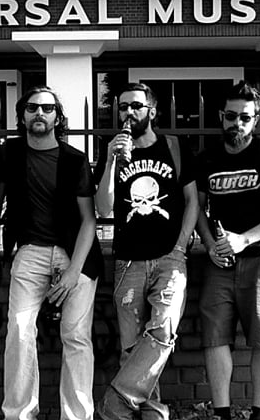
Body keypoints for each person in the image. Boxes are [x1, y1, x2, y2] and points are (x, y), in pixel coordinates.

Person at [0, 86, 103, 420]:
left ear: (57, 118)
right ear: (22, 115)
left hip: (75, 254)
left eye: (48, 109)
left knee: (76, 335)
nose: (39, 113)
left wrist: (74, 271)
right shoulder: (9, 153)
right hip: (30, 251)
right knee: (19, 330)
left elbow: (89, 220)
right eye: (32, 107)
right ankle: (19, 414)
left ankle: (77, 416)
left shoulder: (74, 159)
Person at [94, 82, 199, 420]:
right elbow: (104, 207)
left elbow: (192, 201)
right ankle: (152, 411)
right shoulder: (112, 152)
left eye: (136, 106)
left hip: (170, 257)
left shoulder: (174, 147)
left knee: (162, 331)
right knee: (132, 347)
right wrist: (111, 162)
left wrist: (181, 244)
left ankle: (115, 404)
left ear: (151, 111)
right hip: (128, 260)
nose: (129, 112)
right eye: (123, 107)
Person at [194, 82, 260, 420]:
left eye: (245, 117)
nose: (237, 123)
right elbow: (197, 209)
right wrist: (210, 245)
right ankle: (222, 414)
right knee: (215, 338)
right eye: (231, 116)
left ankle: (259, 414)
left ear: (255, 120)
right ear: (221, 117)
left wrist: (244, 239)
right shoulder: (207, 159)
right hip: (219, 261)